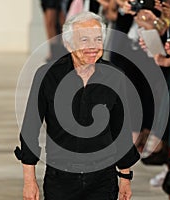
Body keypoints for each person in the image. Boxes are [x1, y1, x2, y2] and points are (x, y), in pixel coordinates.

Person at [14, 11, 140, 200]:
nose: (92, 47)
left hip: (103, 180)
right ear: (68, 43)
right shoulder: (47, 75)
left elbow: (120, 130)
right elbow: (30, 130)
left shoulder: (115, 76)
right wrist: (29, 181)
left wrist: (125, 177)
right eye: (84, 40)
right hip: (60, 180)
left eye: (98, 39)